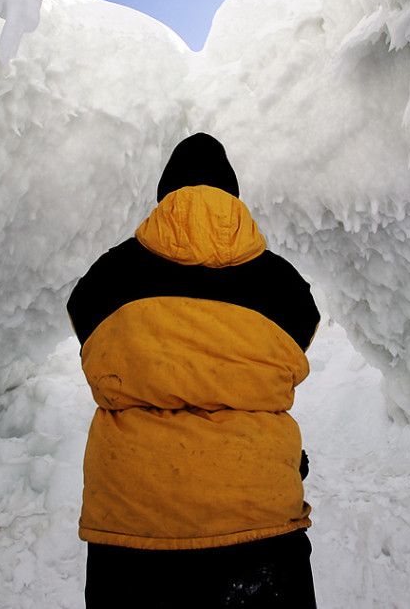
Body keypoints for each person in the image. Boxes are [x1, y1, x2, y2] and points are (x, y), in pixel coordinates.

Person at [67, 133, 320, 608]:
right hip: (259, 523)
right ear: (232, 194)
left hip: (131, 530)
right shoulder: (284, 285)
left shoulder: (108, 277)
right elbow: (300, 343)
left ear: (165, 193)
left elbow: (84, 328)